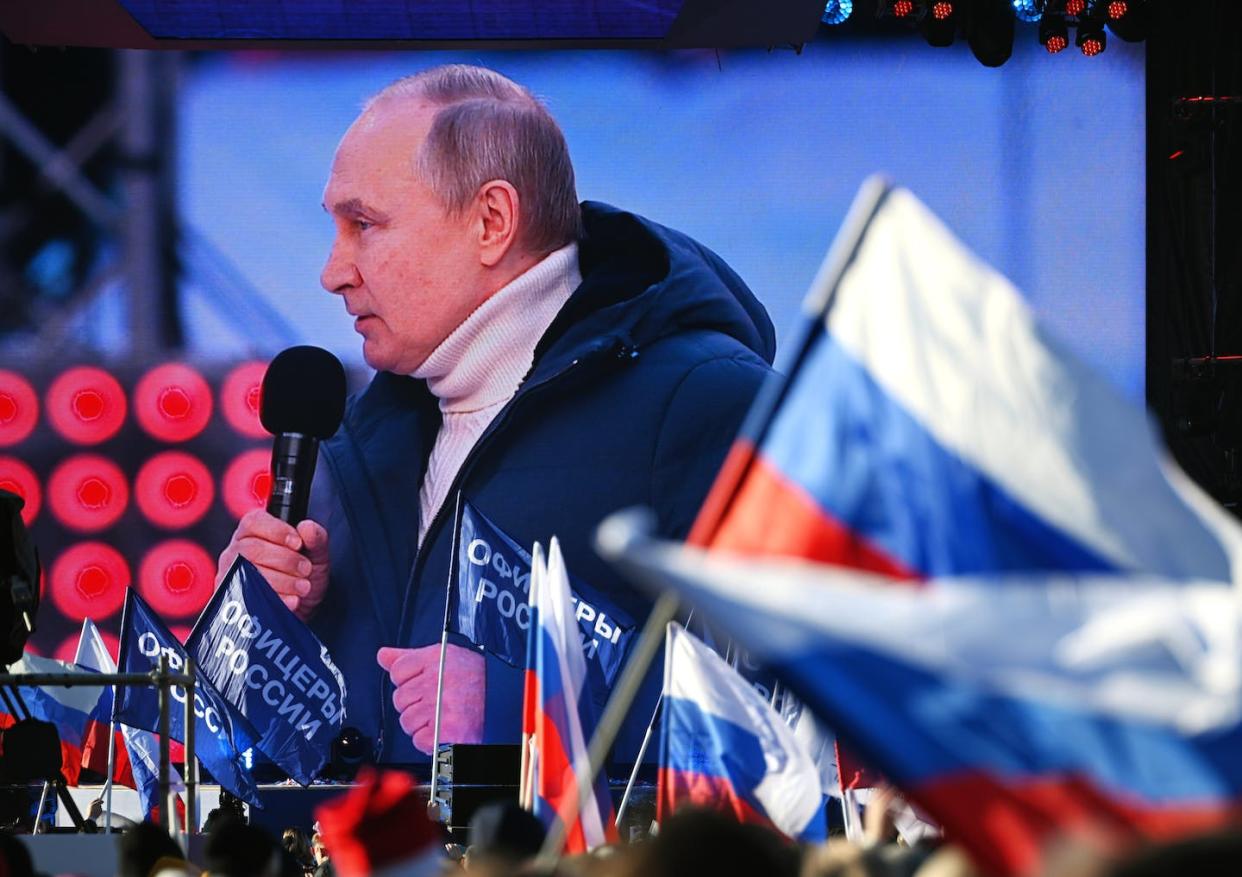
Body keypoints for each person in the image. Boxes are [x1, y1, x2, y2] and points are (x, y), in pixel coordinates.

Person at [216, 63, 776, 765]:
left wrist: (524, 702)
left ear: (491, 221)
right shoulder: (357, 443)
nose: (332, 271)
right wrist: (260, 632)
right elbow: (271, 744)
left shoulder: (706, 398)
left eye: (364, 224)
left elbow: (798, 708)